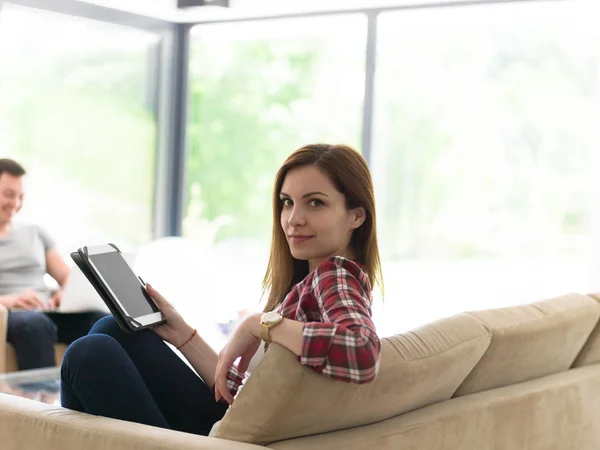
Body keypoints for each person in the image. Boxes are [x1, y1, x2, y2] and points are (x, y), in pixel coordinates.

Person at [60, 143, 384, 436]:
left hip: (233, 441)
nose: (293, 219)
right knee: (114, 328)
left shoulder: (335, 277)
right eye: (287, 203)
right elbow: (248, 397)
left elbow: (363, 352)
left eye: (315, 203)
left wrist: (261, 323)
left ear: (356, 216)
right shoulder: (317, 280)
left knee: (88, 354)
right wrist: (183, 335)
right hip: (235, 425)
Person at [0, 158, 107, 370]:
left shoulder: (36, 233)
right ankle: (40, 401)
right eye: (8, 194)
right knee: (36, 325)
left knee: (101, 322)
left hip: (46, 309)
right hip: (12, 314)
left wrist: (64, 294)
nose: (16, 203)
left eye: (21, 197)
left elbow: (68, 278)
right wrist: (12, 300)